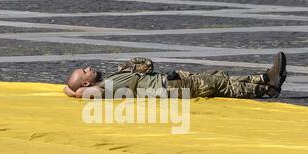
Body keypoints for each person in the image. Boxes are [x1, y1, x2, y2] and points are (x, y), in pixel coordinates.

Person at [63, 52, 287, 100]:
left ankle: (265, 78)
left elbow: (71, 90)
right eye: (85, 71)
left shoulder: (106, 81)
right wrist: (74, 90)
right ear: (85, 82)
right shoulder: (102, 89)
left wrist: (70, 88)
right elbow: (80, 93)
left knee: (218, 77)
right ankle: (268, 88)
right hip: (170, 87)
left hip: (172, 80)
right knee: (220, 86)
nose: (88, 67)